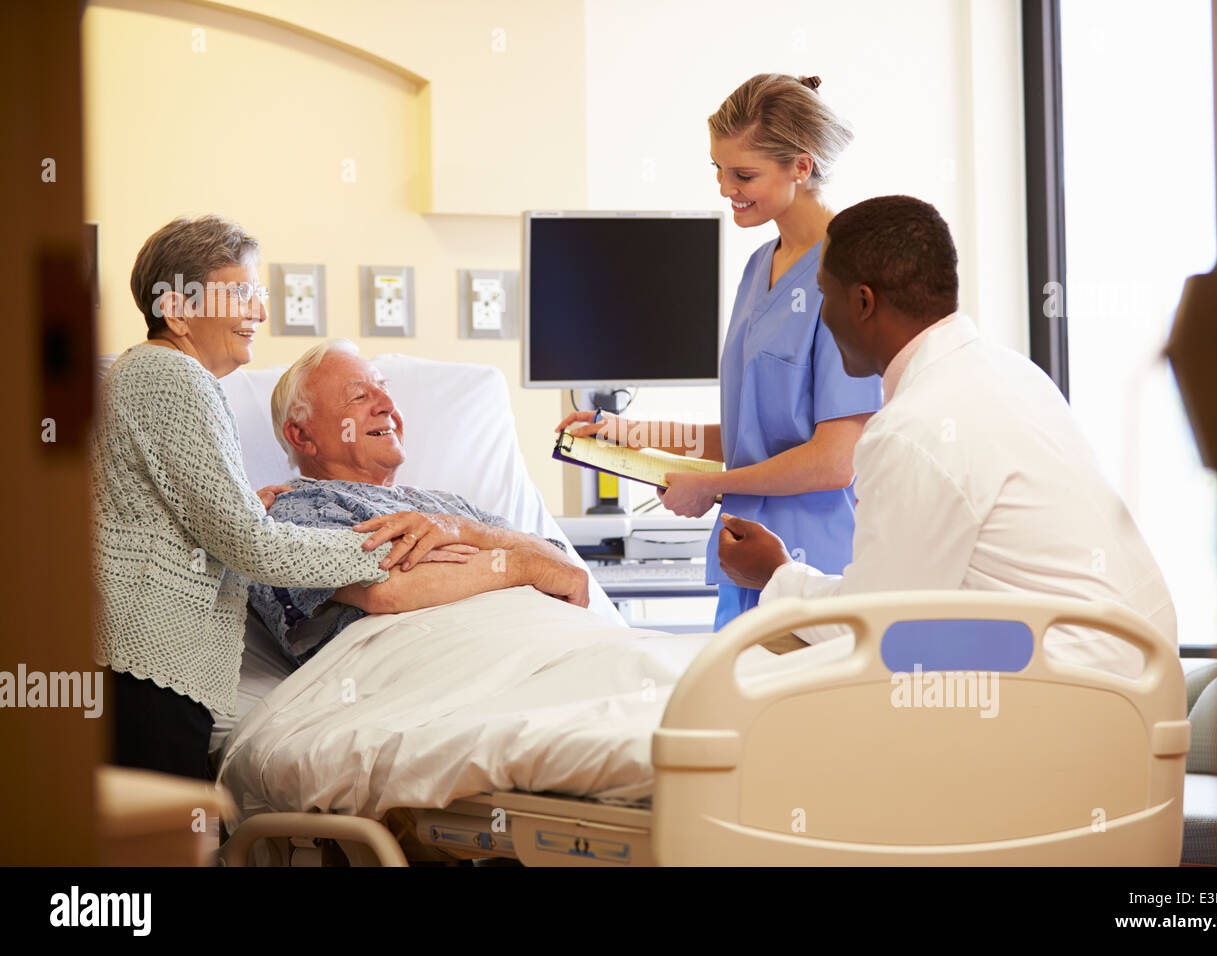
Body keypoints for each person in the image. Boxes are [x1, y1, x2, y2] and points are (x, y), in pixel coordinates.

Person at [718, 195, 1177, 678]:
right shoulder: (1014, 374)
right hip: (1136, 675)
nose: (822, 318)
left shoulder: (910, 430)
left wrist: (775, 574)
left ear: (863, 303)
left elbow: (873, 629)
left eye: (824, 296)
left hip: (1072, 693)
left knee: (759, 683)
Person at [92, 216, 440, 780]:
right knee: (162, 828)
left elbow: (165, 515)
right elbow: (256, 548)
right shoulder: (171, 378)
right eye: (241, 294)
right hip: (148, 671)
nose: (258, 311)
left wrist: (240, 506)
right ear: (176, 310)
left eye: (261, 295)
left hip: (138, 664)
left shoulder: (145, 374)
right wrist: (390, 546)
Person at [556, 74, 882, 630]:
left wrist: (712, 485)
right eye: (718, 169)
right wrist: (625, 433)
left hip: (817, 570)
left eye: (743, 174)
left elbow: (835, 461)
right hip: (744, 557)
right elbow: (751, 437)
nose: (725, 187)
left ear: (801, 167)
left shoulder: (850, 274)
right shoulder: (759, 267)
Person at [248, 340, 593, 665]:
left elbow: (565, 570)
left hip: (547, 646)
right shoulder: (292, 510)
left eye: (385, 390)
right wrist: (522, 567)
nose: (388, 405)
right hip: (440, 667)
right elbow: (388, 589)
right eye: (359, 396)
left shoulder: (449, 507)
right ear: (302, 435)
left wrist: (464, 531)